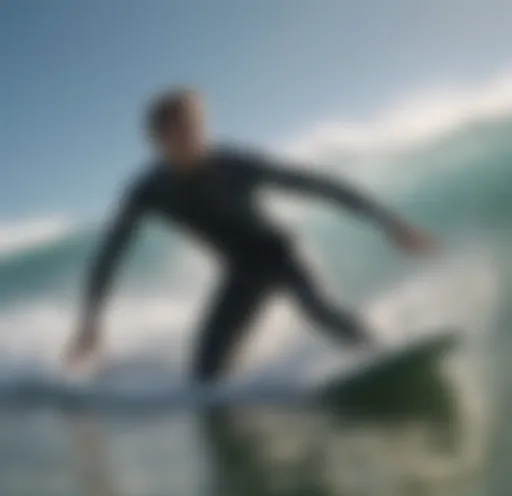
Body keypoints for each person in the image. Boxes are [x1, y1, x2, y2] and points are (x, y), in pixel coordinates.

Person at [66, 88, 435, 382]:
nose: (195, 137)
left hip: (280, 253)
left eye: (198, 126)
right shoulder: (148, 190)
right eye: (182, 130)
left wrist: (389, 222)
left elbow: (317, 185)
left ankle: (381, 355)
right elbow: (110, 255)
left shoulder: (235, 165)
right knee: (203, 377)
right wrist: (90, 320)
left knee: (317, 308)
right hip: (240, 273)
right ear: (158, 139)